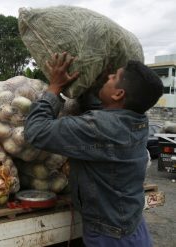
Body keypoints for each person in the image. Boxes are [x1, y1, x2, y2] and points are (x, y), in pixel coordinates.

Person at [24, 52, 163, 247]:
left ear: (118, 94)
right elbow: (102, 106)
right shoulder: (137, 120)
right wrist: (94, 77)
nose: (108, 77)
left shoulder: (100, 128)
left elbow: (36, 131)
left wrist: (54, 87)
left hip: (111, 239)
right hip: (132, 229)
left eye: (113, 77)